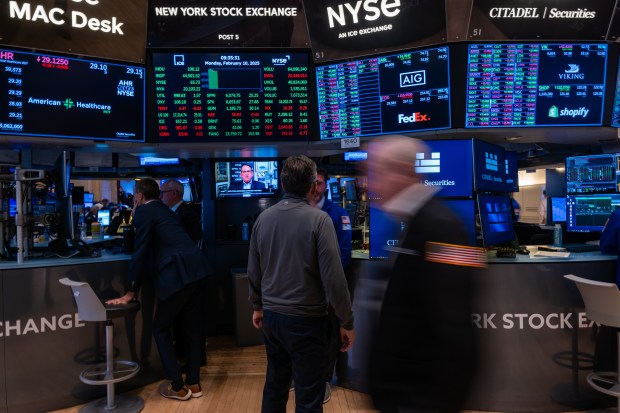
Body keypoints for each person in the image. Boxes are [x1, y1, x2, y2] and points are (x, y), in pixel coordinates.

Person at [366, 137, 485, 413]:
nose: (369, 184)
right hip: (401, 395)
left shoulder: (445, 227)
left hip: (422, 399)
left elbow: (456, 328)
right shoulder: (405, 224)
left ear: (397, 170)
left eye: (372, 173)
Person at [247, 155, 356, 413]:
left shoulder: (264, 218)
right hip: (307, 320)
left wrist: (258, 305)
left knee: (275, 386)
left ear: (283, 184)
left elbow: (254, 268)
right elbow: (334, 277)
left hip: (272, 318)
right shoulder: (319, 220)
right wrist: (346, 321)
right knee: (308, 395)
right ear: (311, 186)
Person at [106, 178, 211, 401]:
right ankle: (193, 383)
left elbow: (140, 251)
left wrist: (131, 290)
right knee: (192, 331)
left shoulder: (145, 212)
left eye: (135, 197)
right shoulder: (164, 210)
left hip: (177, 275)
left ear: (140, 196)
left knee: (160, 328)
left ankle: (177, 386)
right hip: (198, 270)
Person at [310, 169, 352, 390]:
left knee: (329, 335)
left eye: (318, 183)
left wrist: (327, 281)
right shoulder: (301, 212)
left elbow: (344, 254)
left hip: (328, 287)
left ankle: (325, 380)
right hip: (304, 289)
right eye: (312, 183)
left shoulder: (338, 214)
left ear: (325, 185)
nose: (315, 187)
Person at [160, 178, 208, 367]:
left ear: (174, 194)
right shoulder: (177, 213)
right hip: (188, 275)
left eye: (163, 193)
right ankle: (188, 361)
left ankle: (192, 362)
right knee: (186, 323)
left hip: (188, 276)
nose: (161, 197)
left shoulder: (184, 215)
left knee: (190, 323)